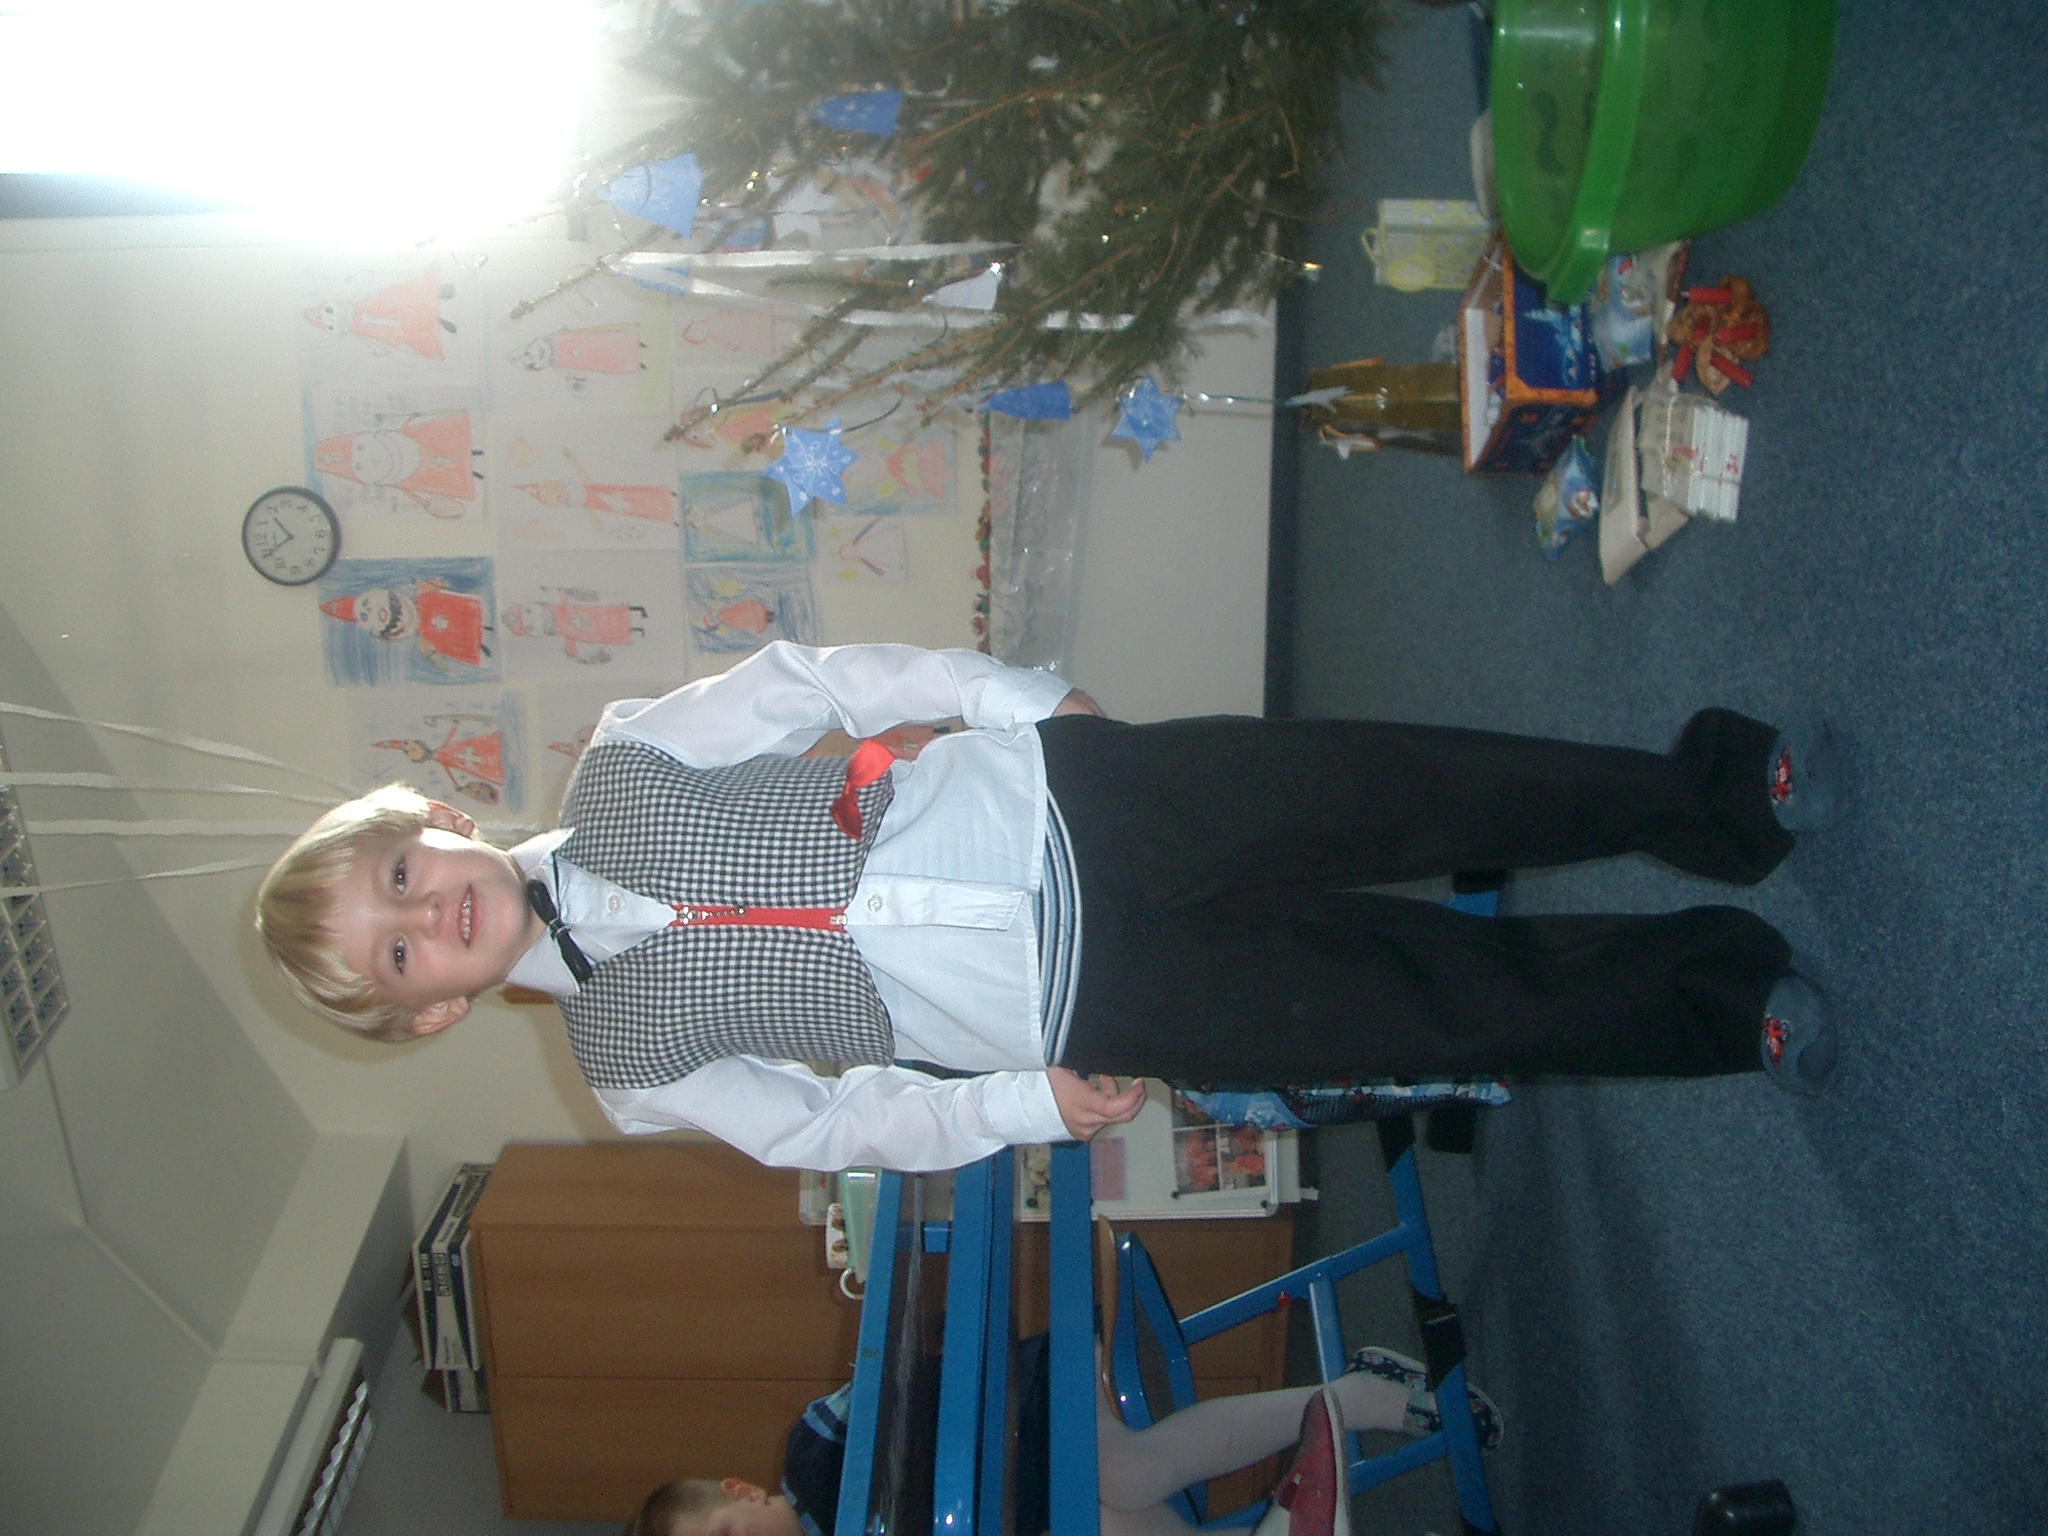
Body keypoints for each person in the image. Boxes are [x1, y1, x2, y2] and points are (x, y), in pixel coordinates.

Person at [255, 642, 1846, 1172]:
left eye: (402, 877)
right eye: (397, 954)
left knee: (1413, 788)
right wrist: (1021, 1105)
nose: (428, 916)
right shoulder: (622, 1068)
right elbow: (833, 1126)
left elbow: (817, 681)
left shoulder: (622, 762)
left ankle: (1702, 800)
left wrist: (1014, 697)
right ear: (432, 1012)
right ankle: (1714, 998)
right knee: (1433, 1005)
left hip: (1083, 804)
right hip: (1086, 1005)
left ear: (435, 821)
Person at [624, 1344, 1505, 1536]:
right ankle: (1354, 1398)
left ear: (741, 1493)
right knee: (1111, 1517)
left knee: (1126, 1471)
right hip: (1052, 1502)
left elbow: (911, 1374)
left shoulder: (811, 1448)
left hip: (1033, 1402)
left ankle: (1356, 1397)